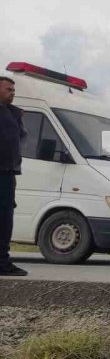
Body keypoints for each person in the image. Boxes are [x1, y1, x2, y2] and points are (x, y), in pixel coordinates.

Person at [0, 76, 28, 276]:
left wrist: (17, 115)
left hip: (7, 174)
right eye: (8, 89)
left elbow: (20, 138)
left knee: (5, 219)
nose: (13, 92)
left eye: (13, 89)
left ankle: (2, 261)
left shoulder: (11, 113)